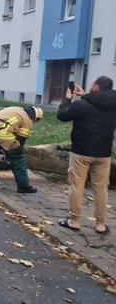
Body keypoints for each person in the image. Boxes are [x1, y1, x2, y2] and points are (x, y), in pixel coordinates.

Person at [57, 76, 116, 235]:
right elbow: (98, 103)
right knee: (101, 188)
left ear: (96, 87)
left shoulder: (81, 106)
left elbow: (62, 116)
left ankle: (74, 220)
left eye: (92, 85)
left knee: (77, 186)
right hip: (103, 153)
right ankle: (101, 224)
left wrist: (67, 99)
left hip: (81, 152)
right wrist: (85, 95)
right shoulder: (113, 105)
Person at [0, 106, 43, 193]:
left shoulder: (16, 109)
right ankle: (23, 186)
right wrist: (15, 150)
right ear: (36, 117)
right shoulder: (28, 120)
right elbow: (21, 139)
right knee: (18, 159)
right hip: (3, 135)